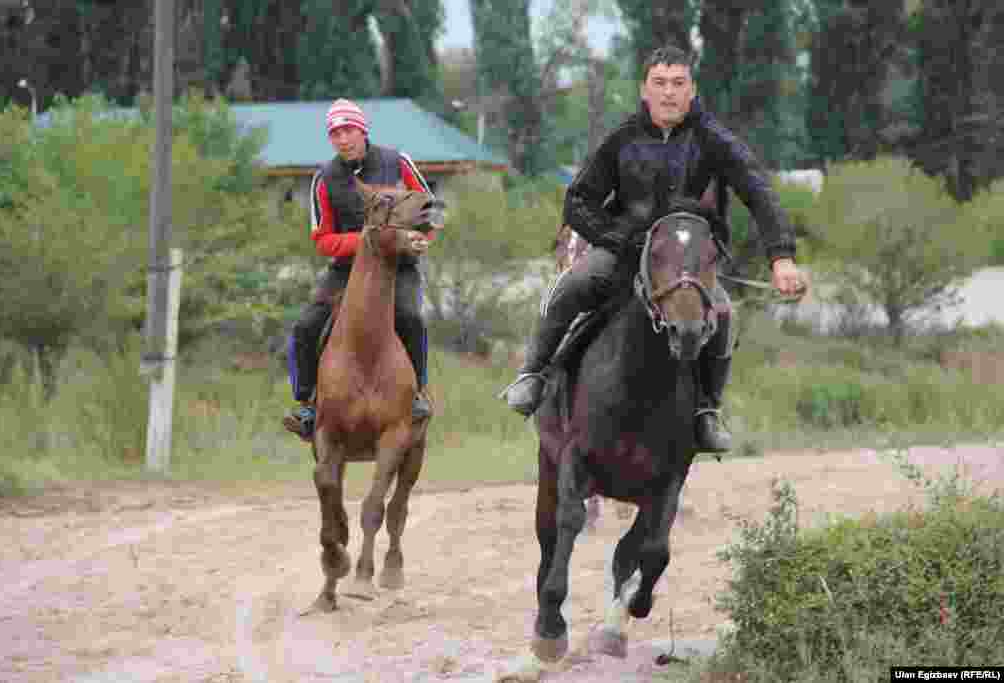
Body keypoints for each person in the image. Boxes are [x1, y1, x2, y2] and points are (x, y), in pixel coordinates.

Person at [501, 45, 806, 453]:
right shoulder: (621, 139)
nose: (669, 92)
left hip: (688, 259)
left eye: (678, 83)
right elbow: (578, 201)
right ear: (644, 90)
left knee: (723, 313)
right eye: (660, 83)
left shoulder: (714, 140)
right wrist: (616, 238)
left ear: (692, 90)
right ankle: (533, 375)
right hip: (624, 250)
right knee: (573, 282)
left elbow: (759, 192)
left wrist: (782, 257)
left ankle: (707, 411)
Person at [284, 98, 438, 439]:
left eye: (349, 131)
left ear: (363, 131)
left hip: (398, 267)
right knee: (305, 326)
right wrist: (367, 242)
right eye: (335, 134)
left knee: (410, 316)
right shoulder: (324, 179)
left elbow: (429, 210)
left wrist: (423, 236)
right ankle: (307, 405)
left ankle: (417, 394)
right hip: (347, 272)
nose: (343, 139)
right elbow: (323, 239)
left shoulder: (397, 162)